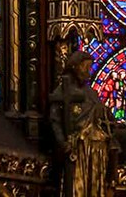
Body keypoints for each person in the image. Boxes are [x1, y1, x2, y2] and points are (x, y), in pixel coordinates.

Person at [47, 50, 120, 197]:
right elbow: (55, 120)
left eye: (89, 67)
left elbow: (105, 117)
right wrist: (62, 142)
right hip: (78, 147)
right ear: (74, 66)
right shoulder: (64, 89)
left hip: (97, 148)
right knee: (77, 186)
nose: (87, 70)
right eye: (84, 66)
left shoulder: (92, 93)